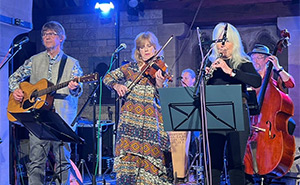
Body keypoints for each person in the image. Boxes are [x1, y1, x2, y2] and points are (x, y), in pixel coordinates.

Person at [8, 21, 83, 185]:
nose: (47, 37)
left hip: (62, 118)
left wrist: (74, 87)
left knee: (63, 162)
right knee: (36, 162)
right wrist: (16, 90)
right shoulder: (33, 60)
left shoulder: (72, 63)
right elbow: (13, 78)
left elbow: (78, 90)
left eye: (51, 34)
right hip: (37, 117)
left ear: (61, 38)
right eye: (44, 34)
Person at [103, 31, 172, 184]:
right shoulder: (129, 68)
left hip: (151, 122)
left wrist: (160, 84)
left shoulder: (160, 69)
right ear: (138, 51)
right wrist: (117, 85)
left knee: (151, 164)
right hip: (130, 121)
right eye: (142, 47)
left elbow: (163, 98)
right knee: (129, 164)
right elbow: (107, 78)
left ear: (155, 49)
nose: (146, 49)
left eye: (150, 46)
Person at [205, 22, 262, 185]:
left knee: (235, 162)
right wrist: (205, 77)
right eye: (219, 41)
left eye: (226, 41)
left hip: (238, 114)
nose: (222, 45)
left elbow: (256, 81)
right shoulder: (210, 63)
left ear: (234, 42)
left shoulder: (243, 62)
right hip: (215, 114)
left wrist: (230, 71)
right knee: (213, 163)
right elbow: (199, 92)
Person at [245, 44, 296, 183]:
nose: (255, 60)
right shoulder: (248, 81)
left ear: (268, 60)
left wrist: (278, 68)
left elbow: (290, 83)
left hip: (268, 130)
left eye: (260, 57)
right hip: (251, 127)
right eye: (253, 57)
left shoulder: (275, 84)